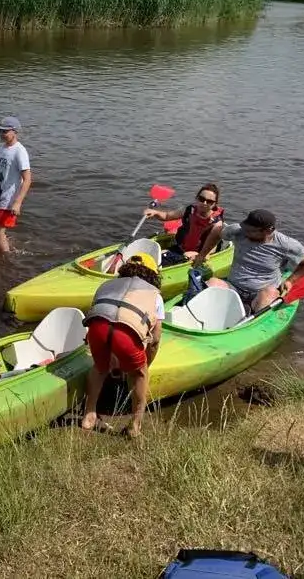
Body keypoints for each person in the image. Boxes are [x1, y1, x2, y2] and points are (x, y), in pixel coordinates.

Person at [81, 252, 165, 439]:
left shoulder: (106, 285)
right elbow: (156, 338)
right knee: (140, 373)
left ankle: (89, 415)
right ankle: (135, 426)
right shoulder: (155, 296)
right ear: (152, 274)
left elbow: (102, 315)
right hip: (126, 334)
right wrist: (144, 365)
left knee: (99, 368)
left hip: (97, 328)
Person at [191, 209, 304, 313]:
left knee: (268, 294)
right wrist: (202, 255)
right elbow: (217, 232)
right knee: (212, 283)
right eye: (245, 228)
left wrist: (290, 281)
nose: (245, 232)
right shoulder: (238, 231)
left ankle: (251, 316)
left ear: (268, 231)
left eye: (250, 231)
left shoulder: (285, 244)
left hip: (261, 293)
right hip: (234, 286)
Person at [0, 116, 32, 253]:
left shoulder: (19, 151)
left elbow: (27, 179)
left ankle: (6, 259)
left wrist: (18, 202)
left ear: (15, 132)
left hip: (8, 200)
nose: (2, 134)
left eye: (5, 131)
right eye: (0, 131)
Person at [143, 183, 225, 266]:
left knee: (160, 261)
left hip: (197, 253)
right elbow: (167, 216)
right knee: (155, 255)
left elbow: (211, 249)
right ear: (197, 198)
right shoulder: (189, 210)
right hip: (181, 248)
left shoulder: (217, 224)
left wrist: (198, 255)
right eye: (201, 199)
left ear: (215, 204)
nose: (204, 203)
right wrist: (155, 212)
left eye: (209, 201)